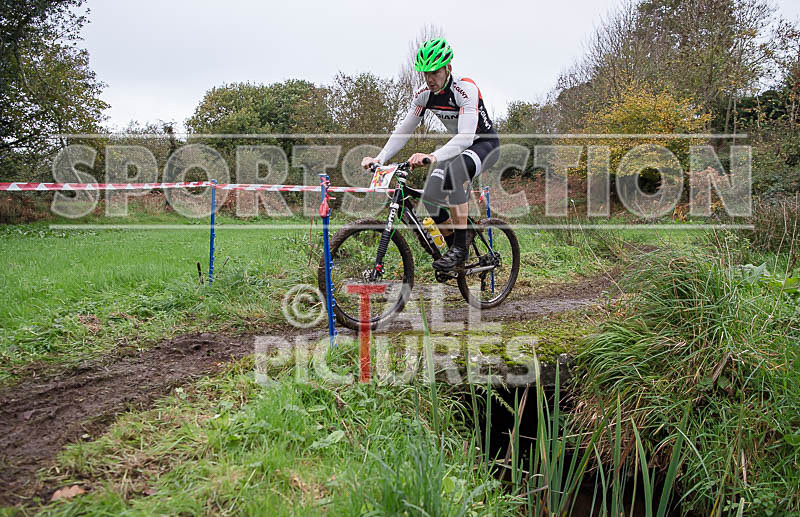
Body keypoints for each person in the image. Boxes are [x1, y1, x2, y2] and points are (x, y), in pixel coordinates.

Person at [361, 37, 499, 271]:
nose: (429, 78)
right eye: (425, 73)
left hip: (483, 144)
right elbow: (405, 129)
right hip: (457, 148)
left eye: (434, 72)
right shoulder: (423, 94)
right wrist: (380, 157)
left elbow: (466, 137)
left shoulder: (465, 89)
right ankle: (454, 248)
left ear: (448, 68)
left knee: (454, 174)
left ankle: (461, 250)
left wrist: (433, 156)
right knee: (431, 197)